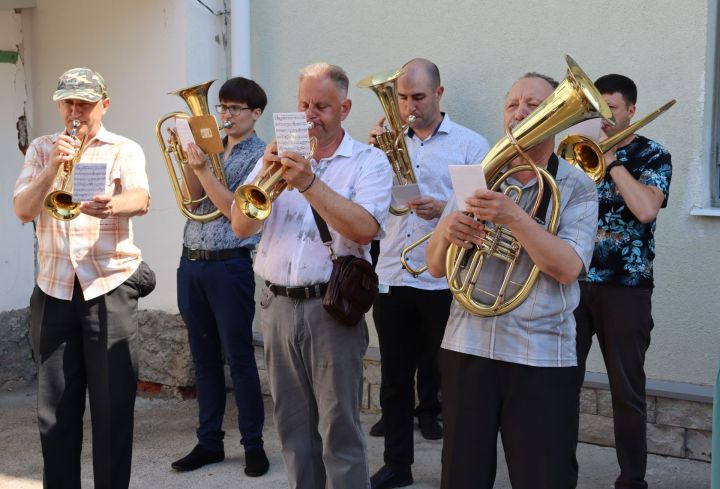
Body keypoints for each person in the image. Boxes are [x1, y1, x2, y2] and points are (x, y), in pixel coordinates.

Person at [425, 73, 599, 489]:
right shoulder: (479, 174)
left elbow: (568, 268)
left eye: (532, 104)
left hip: (540, 353)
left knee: (544, 476)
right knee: (462, 475)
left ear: (556, 117)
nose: (518, 112)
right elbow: (435, 268)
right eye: (511, 105)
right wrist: (447, 232)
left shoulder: (578, 186)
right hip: (467, 346)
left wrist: (515, 218)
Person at [231, 62, 392, 489]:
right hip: (277, 305)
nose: (309, 115)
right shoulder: (276, 156)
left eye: (321, 106)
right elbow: (240, 226)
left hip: (332, 309)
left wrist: (308, 183)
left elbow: (363, 228)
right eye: (303, 103)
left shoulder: (368, 162)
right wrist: (266, 175)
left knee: (339, 431)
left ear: (345, 108)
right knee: (293, 431)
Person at [13, 67, 154, 489]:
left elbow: (141, 198)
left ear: (103, 105)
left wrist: (113, 204)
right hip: (54, 290)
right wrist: (54, 164)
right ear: (59, 104)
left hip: (107, 287)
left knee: (112, 410)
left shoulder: (122, 148)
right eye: (69, 102)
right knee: (54, 412)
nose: (76, 111)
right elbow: (23, 209)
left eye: (85, 103)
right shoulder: (41, 148)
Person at [368, 58, 490, 489]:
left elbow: (484, 215)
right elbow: (370, 203)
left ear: (439, 94)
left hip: (443, 278)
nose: (408, 107)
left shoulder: (471, 145)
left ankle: (452, 470)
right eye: (401, 98)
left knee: (448, 379)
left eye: (417, 97)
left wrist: (444, 209)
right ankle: (397, 465)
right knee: (394, 379)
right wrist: (374, 158)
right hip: (393, 274)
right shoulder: (382, 144)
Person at [574, 74, 672, 489]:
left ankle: (632, 481)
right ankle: (558, 473)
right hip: (573, 282)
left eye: (611, 107)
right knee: (561, 383)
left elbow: (646, 210)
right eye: (597, 108)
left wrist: (612, 161)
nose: (604, 116)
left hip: (626, 287)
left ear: (631, 110)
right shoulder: (578, 153)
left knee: (626, 391)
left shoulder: (654, 155)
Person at [170, 77, 269, 477]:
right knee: (204, 358)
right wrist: (188, 160)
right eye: (222, 107)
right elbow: (193, 201)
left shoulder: (261, 156)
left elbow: (233, 209)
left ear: (255, 113)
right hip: (192, 261)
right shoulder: (215, 148)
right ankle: (209, 441)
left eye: (234, 109)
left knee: (240, 358)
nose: (225, 115)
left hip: (230, 263)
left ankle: (253, 445)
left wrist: (207, 167)